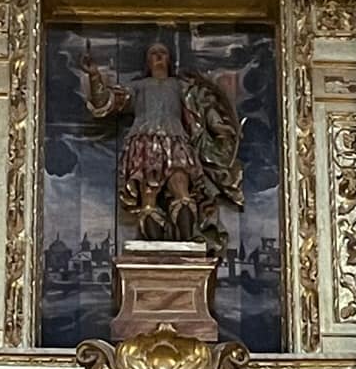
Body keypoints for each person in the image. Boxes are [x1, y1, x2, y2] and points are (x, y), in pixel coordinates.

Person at [82, 41, 243, 245]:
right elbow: (106, 100)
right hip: (144, 144)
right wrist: (94, 75)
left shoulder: (180, 87)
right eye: (153, 54)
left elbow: (202, 106)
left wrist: (218, 125)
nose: (158, 57)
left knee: (181, 188)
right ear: (148, 62)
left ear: (169, 60)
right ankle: (153, 246)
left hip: (176, 142)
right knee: (148, 195)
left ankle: (186, 241)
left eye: (163, 53)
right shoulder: (138, 87)